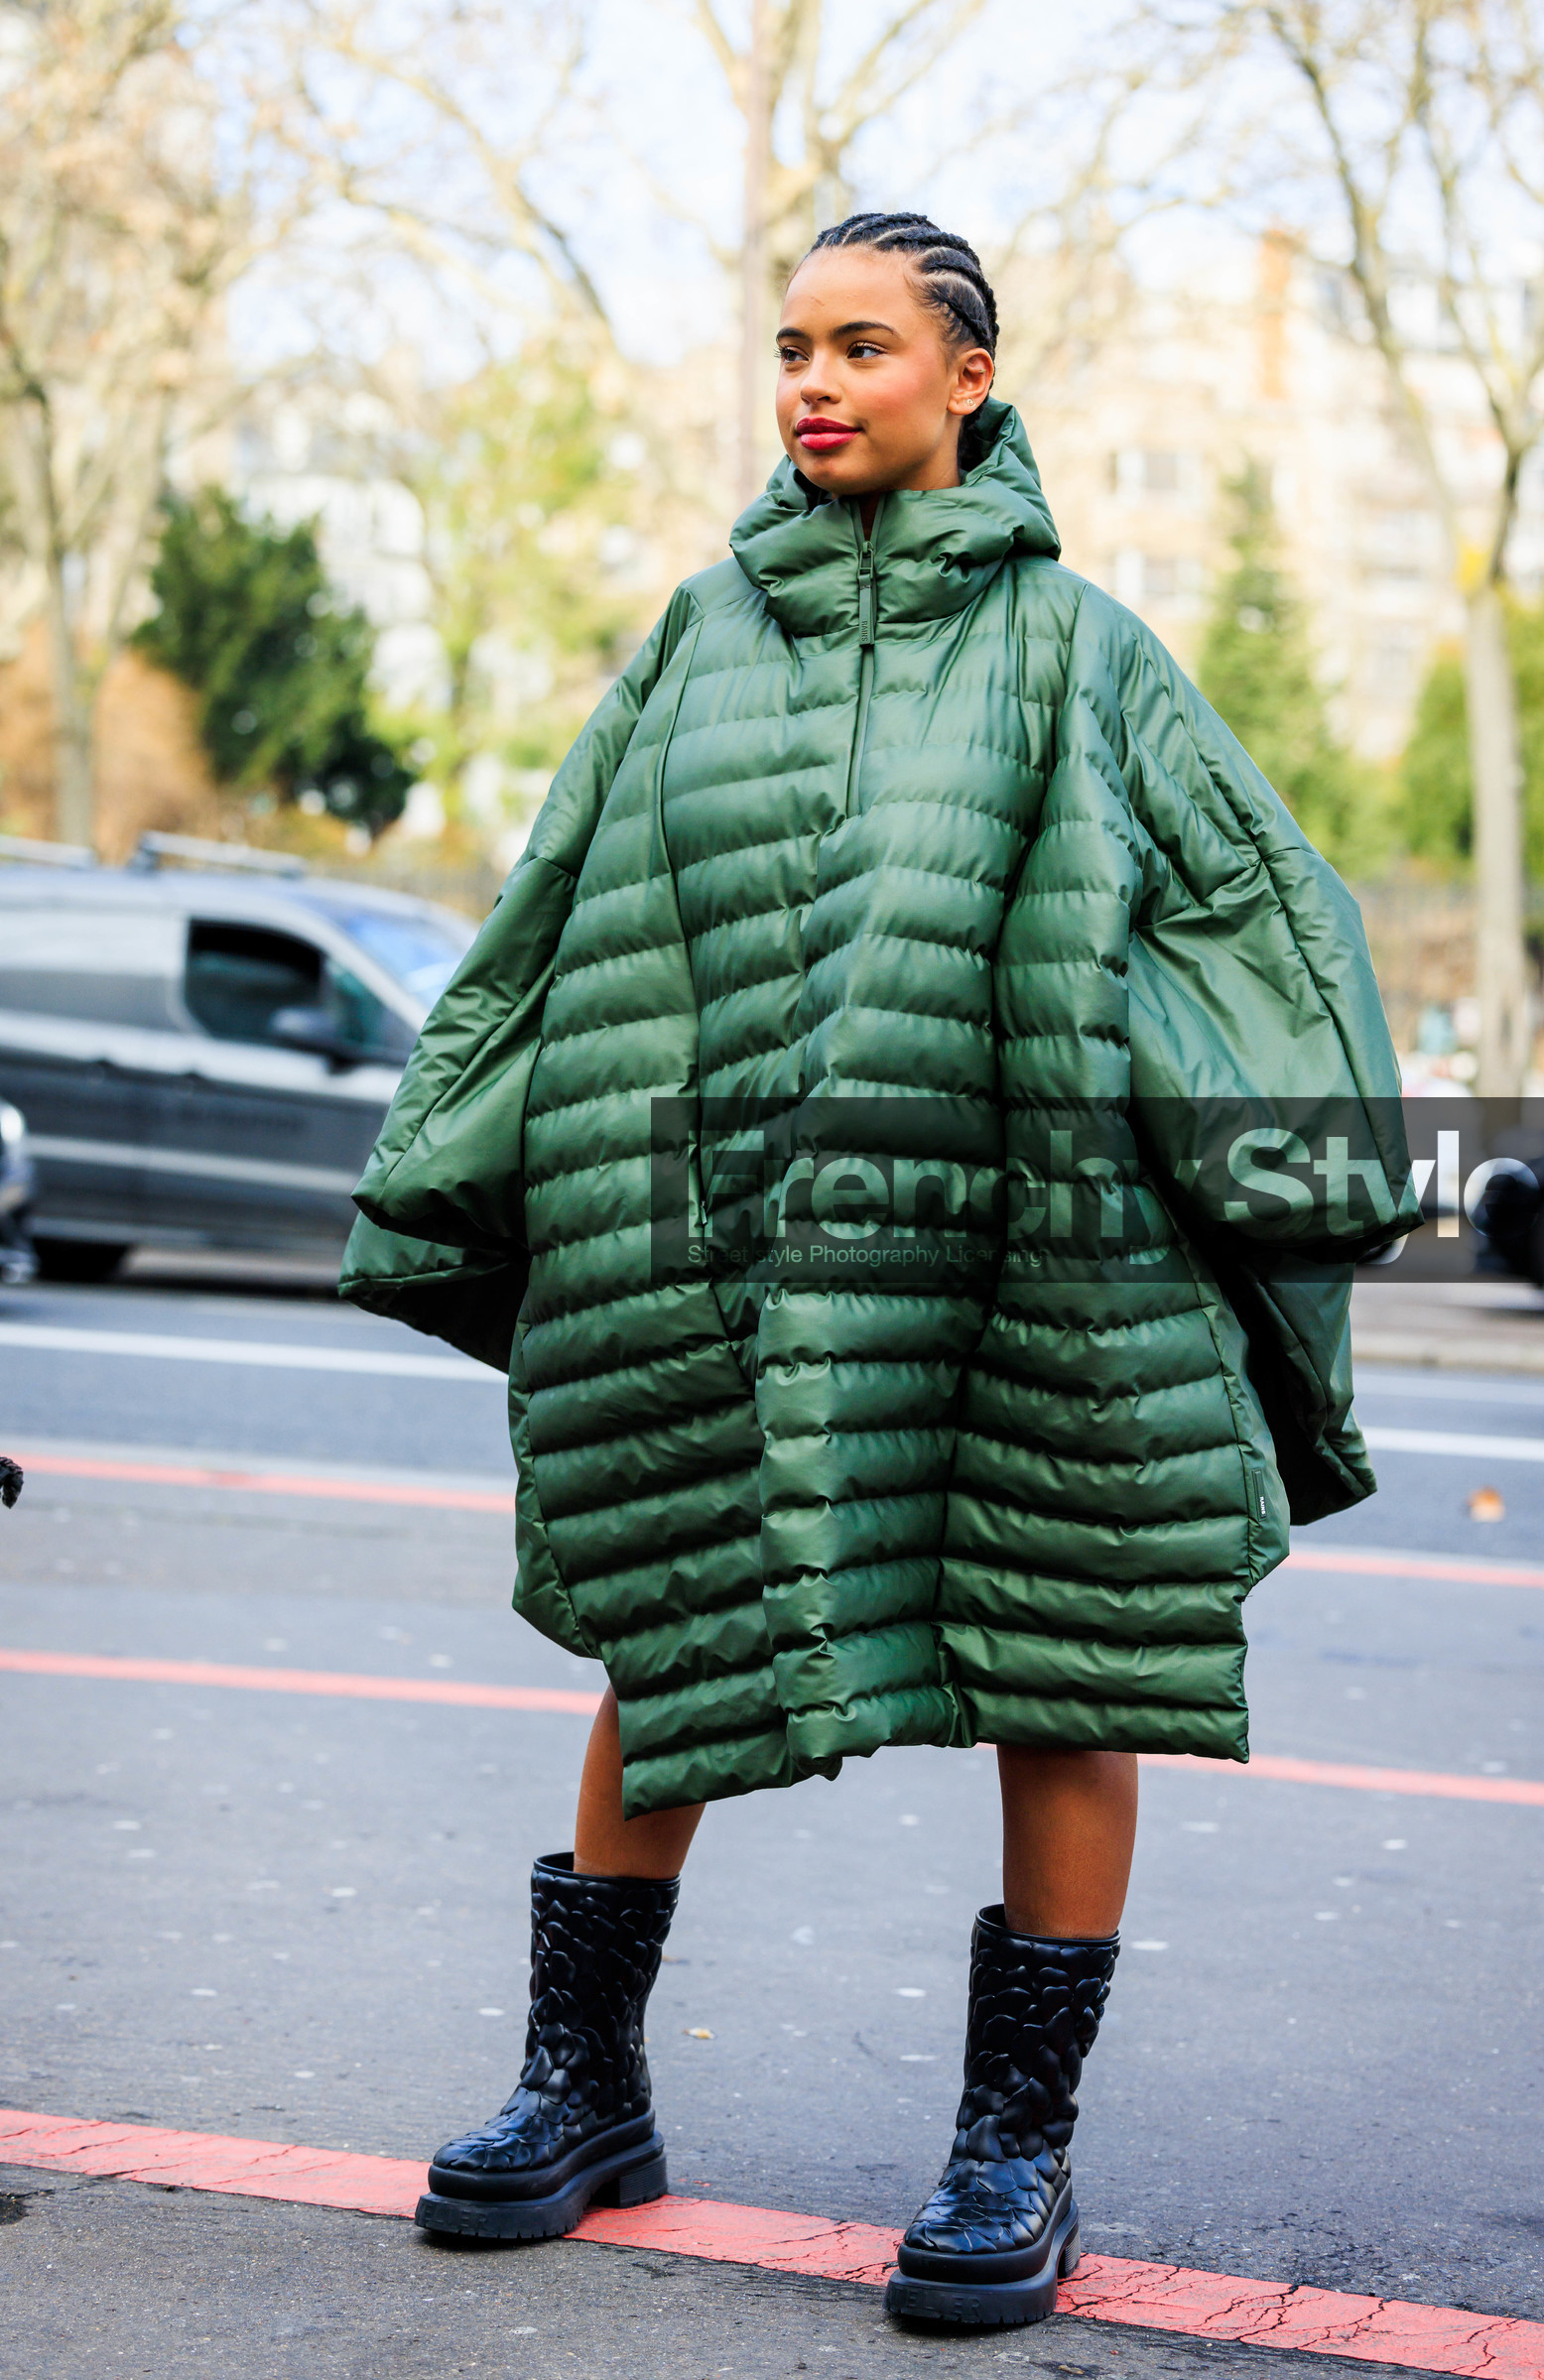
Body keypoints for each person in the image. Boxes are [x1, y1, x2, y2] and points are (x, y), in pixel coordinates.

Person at [341, 211, 1414, 2328]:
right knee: (668, 1624)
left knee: (1065, 1647)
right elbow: (557, 917)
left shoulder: (1081, 650)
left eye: (858, 347)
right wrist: (452, 1170)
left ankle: (1012, 2143)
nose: (811, 384)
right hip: (717, 1238)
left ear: (965, 380)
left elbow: (1263, 929)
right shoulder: (692, 638)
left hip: (1022, 1255)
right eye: (789, 349)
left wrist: (1214, 1132)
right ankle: (584, 2089)